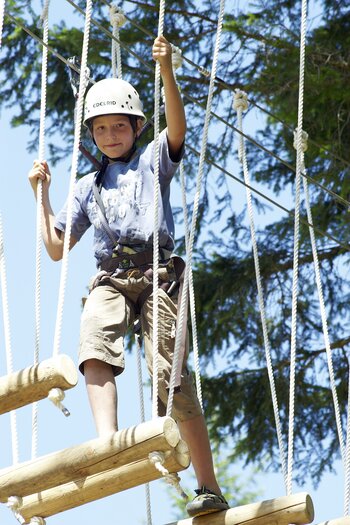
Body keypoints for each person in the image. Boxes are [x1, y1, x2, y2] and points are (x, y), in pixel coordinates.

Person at [28, 35, 229, 518]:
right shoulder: (85, 187)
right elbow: (57, 249)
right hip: (111, 278)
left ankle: (208, 484)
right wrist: (42, 196)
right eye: (101, 128)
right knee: (93, 345)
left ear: (137, 128)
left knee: (173, 381)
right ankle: (108, 443)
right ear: (91, 135)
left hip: (159, 275)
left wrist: (167, 73)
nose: (112, 134)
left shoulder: (152, 161)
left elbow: (178, 129)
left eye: (120, 125)